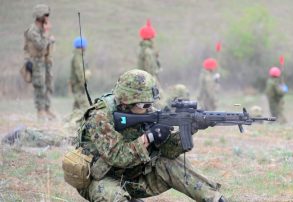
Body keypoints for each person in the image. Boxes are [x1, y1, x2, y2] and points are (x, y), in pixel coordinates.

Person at [73, 69, 226, 201]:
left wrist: (191, 128)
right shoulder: (101, 116)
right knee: (112, 196)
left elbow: (168, 152)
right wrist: (149, 137)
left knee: (171, 163)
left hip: (132, 176)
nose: (150, 108)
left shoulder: (146, 111)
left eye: (150, 103)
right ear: (126, 102)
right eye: (145, 105)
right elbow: (117, 156)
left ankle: (214, 198)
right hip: (99, 180)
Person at [23, 4, 56, 120]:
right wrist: (47, 35)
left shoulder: (42, 29)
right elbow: (41, 45)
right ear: (39, 16)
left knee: (48, 84)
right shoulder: (33, 31)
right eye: (45, 15)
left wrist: (48, 36)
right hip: (36, 61)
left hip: (45, 61)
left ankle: (47, 109)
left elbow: (48, 43)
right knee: (39, 85)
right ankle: (40, 110)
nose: (47, 17)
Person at [70, 36, 90, 111]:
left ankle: (71, 119)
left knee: (77, 105)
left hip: (78, 84)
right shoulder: (77, 57)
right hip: (78, 85)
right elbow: (79, 72)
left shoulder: (79, 56)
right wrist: (83, 82)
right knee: (85, 106)